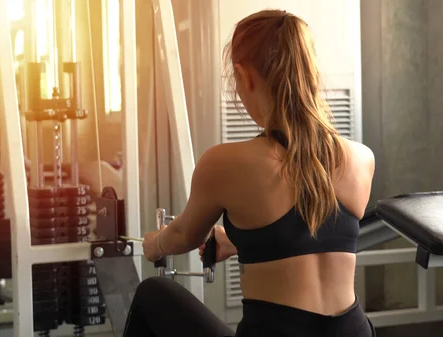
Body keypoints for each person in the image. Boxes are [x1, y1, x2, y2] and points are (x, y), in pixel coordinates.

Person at [124, 9, 376, 337]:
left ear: (245, 76)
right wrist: (240, 240)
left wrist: (154, 244)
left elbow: (185, 236)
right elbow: (311, 235)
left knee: (152, 293)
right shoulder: (361, 159)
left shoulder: (224, 162)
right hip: (352, 332)